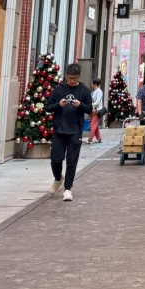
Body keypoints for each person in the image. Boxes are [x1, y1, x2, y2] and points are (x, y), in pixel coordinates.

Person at [46, 63, 92, 201]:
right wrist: (58, 105)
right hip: (59, 130)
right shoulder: (59, 89)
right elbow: (48, 107)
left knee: (72, 161)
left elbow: (89, 109)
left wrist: (80, 105)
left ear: (79, 76)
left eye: (75, 78)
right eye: (70, 78)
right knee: (55, 160)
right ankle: (58, 178)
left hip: (75, 131)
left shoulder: (84, 90)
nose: (72, 80)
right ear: (65, 75)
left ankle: (67, 189)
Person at [88, 78, 104, 144]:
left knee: (92, 125)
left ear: (95, 84)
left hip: (98, 111)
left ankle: (90, 139)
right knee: (95, 126)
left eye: (92, 83)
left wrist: (91, 105)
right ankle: (99, 138)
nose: (91, 84)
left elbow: (97, 101)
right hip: (94, 110)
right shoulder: (93, 91)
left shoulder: (99, 91)